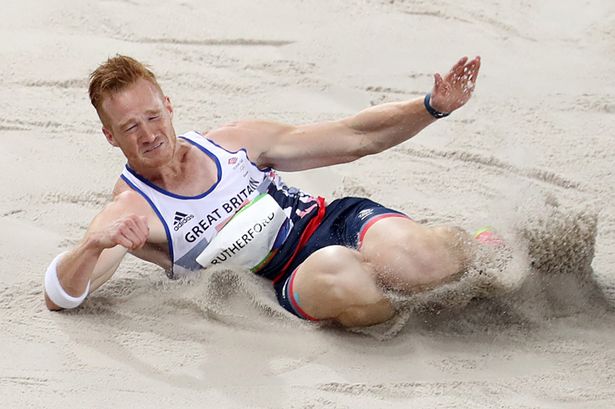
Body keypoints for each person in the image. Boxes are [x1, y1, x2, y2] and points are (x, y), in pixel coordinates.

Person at [43, 54, 484, 328]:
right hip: (284, 279)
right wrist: (93, 245)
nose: (149, 134)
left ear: (169, 106)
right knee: (345, 276)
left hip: (326, 221)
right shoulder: (131, 210)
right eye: (130, 127)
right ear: (109, 136)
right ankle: (411, 302)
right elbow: (59, 295)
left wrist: (431, 107)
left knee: (418, 259)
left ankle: (480, 254)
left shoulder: (234, 141)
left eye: (153, 116)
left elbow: (355, 138)